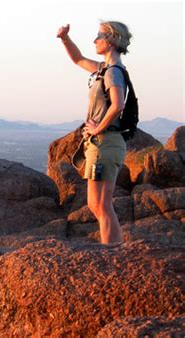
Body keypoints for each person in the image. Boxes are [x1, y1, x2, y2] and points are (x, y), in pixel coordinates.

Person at [57, 21, 133, 244]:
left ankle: (112, 251)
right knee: (96, 204)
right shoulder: (104, 69)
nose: (95, 40)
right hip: (102, 144)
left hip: (105, 142)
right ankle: (112, 249)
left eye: (99, 36)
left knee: (101, 204)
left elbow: (117, 105)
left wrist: (97, 129)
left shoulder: (113, 73)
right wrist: (65, 39)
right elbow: (78, 59)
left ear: (111, 41)